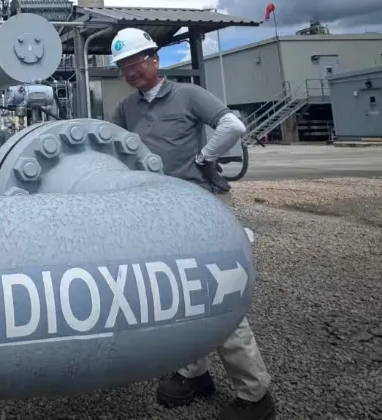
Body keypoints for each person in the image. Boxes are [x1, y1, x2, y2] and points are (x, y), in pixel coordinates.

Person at [107, 28, 277, 420]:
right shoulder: (127, 108)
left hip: (200, 207)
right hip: (160, 208)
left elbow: (233, 126)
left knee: (217, 292)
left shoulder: (187, 94)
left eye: (135, 62)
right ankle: (193, 372)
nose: (130, 72)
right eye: (122, 66)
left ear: (154, 59)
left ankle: (255, 394)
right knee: (178, 290)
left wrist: (204, 157)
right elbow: (112, 145)